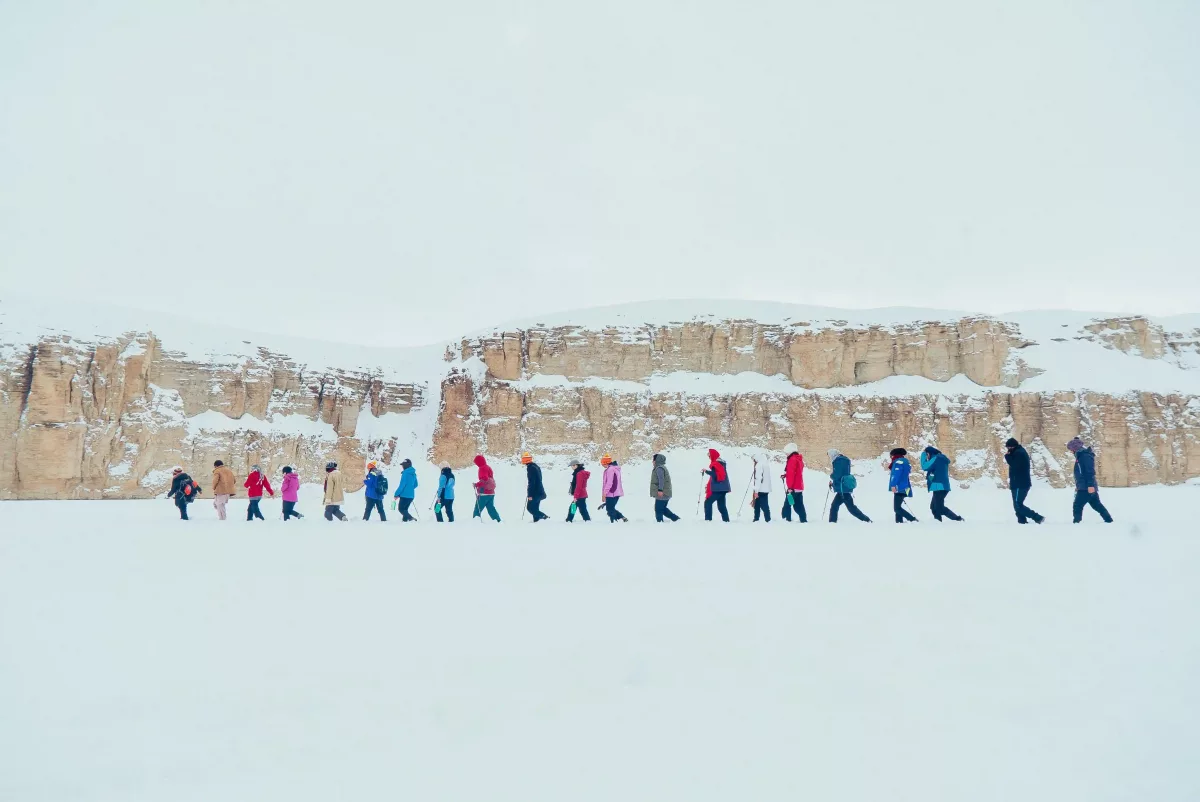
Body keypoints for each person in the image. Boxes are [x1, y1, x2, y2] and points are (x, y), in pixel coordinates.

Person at [1068, 437, 1113, 523]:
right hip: (1085, 485)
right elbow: (1081, 473)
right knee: (1096, 505)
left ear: (1075, 448)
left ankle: (1076, 523)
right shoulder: (1081, 456)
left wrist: (1090, 485)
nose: (1071, 451)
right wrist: (1078, 486)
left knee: (1077, 505)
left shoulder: (1084, 456)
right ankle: (1109, 520)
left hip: (1086, 486)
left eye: (1071, 449)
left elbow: (1089, 472)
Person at [1004, 438, 1043, 524]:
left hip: (1020, 484)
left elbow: (1014, 465)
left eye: (1008, 447)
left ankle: (1037, 517)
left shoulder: (1020, 453)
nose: (1008, 450)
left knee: (1018, 505)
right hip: (1016, 483)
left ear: (1012, 446)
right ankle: (1022, 521)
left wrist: (1007, 456)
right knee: (1017, 505)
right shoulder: (1017, 452)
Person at [920, 446, 963, 522]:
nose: (927, 457)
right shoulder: (940, 459)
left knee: (939, 508)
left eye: (927, 455)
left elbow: (924, 466)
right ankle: (938, 522)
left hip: (939, 486)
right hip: (940, 486)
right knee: (933, 507)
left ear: (929, 453)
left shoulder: (936, 458)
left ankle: (957, 519)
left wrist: (923, 455)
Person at [828, 448, 871, 523]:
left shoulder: (837, 461)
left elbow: (837, 475)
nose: (829, 457)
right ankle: (832, 522)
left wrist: (831, 476)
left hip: (842, 489)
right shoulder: (845, 460)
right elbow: (842, 473)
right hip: (844, 487)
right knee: (835, 506)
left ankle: (866, 520)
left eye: (829, 455)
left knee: (851, 508)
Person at [886, 448, 918, 523]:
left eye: (891, 456)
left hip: (900, 487)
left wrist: (893, 485)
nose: (891, 458)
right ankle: (899, 522)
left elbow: (896, 475)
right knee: (898, 507)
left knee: (896, 508)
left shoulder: (899, 462)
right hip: (904, 487)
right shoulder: (904, 462)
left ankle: (912, 519)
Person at [779, 443, 807, 523]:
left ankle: (786, 520)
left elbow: (791, 474)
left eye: (787, 452)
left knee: (787, 505)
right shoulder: (798, 459)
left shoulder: (792, 459)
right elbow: (796, 473)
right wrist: (785, 475)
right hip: (799, 487)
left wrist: (790, 487)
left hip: (793, 488)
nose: (786, 454)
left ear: (790, 451)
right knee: (798, 505)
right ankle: (803, 520)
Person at [703, 448, 732, 522]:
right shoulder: (721, 463)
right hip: (723, 488)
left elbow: (716, 475)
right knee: (721, 506)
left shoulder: (716, 464)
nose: (709, 457)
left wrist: (706, 471)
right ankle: (726, 521)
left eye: (709, 456)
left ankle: (708, 520)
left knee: (708, 502)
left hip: (718, 488)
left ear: (713, 455)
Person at [649, 453, 678, 522]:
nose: (652, 461)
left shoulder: (659, 468)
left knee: (658, 509)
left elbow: (661, 480)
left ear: (657, 460)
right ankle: (676, 519)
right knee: (663, 509)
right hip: (665, 492)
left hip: (663, 492)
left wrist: (660, 490)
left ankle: (660, 522)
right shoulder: (661, 467)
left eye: (653, 460)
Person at [472, 454, 501, 522]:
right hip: (491, 493)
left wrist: (476, 484)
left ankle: (475, 522)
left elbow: (484, 479)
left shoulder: (482, 468)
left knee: (477, 509)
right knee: (491, 508)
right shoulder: (488, 467)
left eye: (476, 463)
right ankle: (498, 521)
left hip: (484, 493)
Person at [600, 454, 629, 522]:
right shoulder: (614, 469)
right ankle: (622, 518)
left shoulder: (610, 470)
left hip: (612, 492)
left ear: (605, 463)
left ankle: (614, 521)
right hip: (616, 492)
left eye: (602, 463)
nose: (601, 464)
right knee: (610, 508)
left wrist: (604, 494)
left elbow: (609, 483)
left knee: (610, 509)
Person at [522, 452, 550, 521]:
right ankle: (536, 521)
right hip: (540, 491)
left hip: (535, 493)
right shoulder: (536, 466)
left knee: (530, 508)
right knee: (535, 508)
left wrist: (530, 494)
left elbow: (532, 482)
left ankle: (544, 517)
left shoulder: (531, 468)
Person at [750, 452, 772, 523]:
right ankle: (756, 519)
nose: (754, 461)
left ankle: (768, 519)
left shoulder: (759, 465)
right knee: (757, 504)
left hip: (760, 489)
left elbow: (758, 478)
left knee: (764, 505)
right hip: (766, 488)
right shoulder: (766, 464)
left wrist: (756, 491)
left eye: (754, 460)